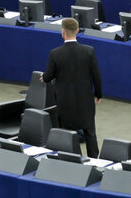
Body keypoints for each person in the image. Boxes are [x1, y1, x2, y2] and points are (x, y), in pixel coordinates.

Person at [41, 18, 103, 156]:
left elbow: (49, 76)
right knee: (90, 132)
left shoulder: (55, 53)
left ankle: (73, 158)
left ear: (63, 32)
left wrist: (44, 77)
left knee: (67, 133)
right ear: (78, 31)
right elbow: (97, 76)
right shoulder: (89, 51)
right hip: (85, 100)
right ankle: (95, 161)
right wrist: (98, 94)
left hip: (65, 101)